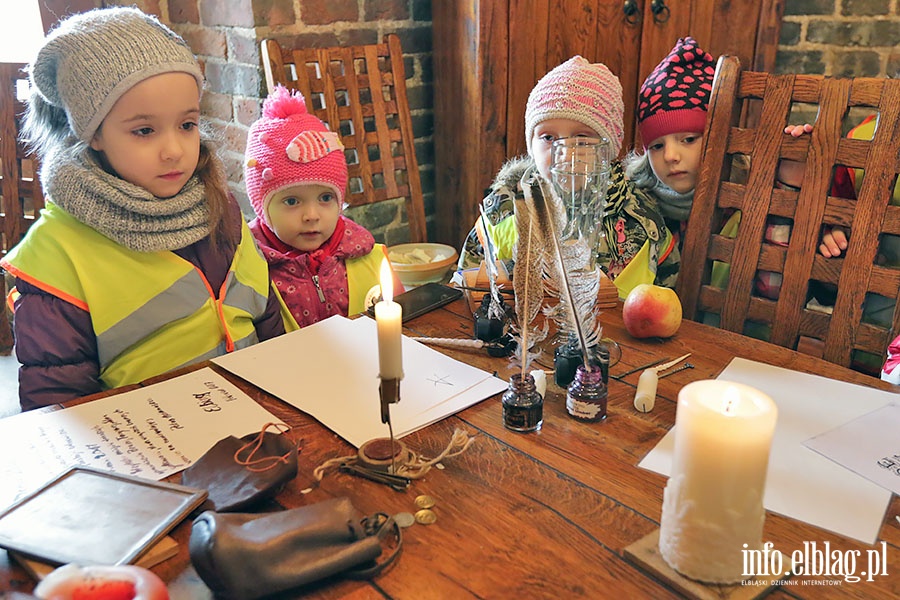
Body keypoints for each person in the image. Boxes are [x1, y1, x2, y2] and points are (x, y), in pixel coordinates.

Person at [0, 7, 286, 410]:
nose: (174, 151)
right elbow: (60, 405)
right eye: (144, 131)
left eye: (187, 124)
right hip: (151, 446)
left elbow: (267, 315)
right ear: (94, 133)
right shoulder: (57, 255)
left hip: (262, 415)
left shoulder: (217, 204)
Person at [457, 56, 680, 299]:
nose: (565, 153)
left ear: (610, 148)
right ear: (531, 144)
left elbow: (667, 300)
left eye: (582, 140)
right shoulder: (502, 215)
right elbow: (462, 292)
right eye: (548, 138)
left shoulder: (644, 223)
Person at [244, 85, 403, 328]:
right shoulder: (246, 270)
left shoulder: (369, 258)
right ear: (262, 209)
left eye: (326, 198)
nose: (311, 215)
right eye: (292, 201)